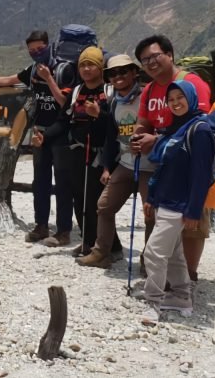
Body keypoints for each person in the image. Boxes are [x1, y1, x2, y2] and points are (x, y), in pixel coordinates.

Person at [0, 30, 72, 245]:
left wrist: (48, 79)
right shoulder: (32, 71)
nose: (37, 54)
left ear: (49, 46)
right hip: (39, 133)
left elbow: (64, 103)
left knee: (62, 184)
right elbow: (10, 80)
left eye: (40, 49)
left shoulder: (64, 70)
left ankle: (63, 231)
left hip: (62, 134)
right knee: (40, 182)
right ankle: (41, 226)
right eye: (32, 51)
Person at [129, 35, 211, 283]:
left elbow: (200, 123)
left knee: (193, 221)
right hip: (161, 163)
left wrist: (156, 139)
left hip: (190, 164)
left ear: (170, 54)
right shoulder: (150, 90)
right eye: (145, 60)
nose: (150, 63)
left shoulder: (192, 83)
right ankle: (165, 275)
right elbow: (144, 120)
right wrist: (138, 135)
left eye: (155, 56)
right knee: (161, 215)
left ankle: (190, 276)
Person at [140, 80, 214, 322]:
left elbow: (201, 175)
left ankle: (153, 303)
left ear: (191, 98)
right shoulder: (174, 129)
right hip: (164, 200)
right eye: (171, 100)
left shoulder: (200, 130)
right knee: (173, 254)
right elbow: (162, 169)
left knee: (153, 253)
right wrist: (151, 197)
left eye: (180, 98)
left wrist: (194, 211)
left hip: (179, 204)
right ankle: (182, 297)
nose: (175, 103)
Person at [77, 54, 150, 268]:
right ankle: (102, 253)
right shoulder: (114, 101)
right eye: (113, 73)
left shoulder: (146, 97)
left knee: (150, 215)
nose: (118, 76)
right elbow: (112, 137)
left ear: (135, 72)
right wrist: (108, 166)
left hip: (150, 166)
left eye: (123, 71)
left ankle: (150, 260)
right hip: (126, 163)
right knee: (104, 206)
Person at [40, 46, 110, 254]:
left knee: (96, 201)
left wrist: (99, 115)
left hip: (100, 152)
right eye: (83, 65)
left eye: (92, 65)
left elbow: (112, 125)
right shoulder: (77, 92)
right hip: (78, 151)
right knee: (79, 197)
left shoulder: (109, 91)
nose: (87, 69)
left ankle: (100, 244)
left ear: (100, 67)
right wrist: (44, 137)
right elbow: (63, 121)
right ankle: (90, 242)